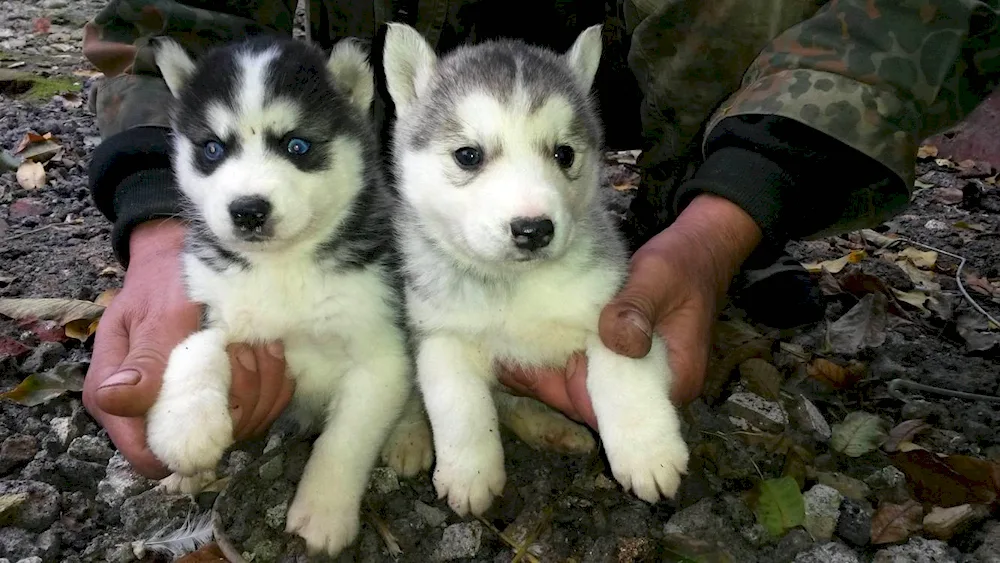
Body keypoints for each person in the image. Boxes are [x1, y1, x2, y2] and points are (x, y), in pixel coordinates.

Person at [81, 0, 1000, 479]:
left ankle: (703, 200)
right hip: (410, 70)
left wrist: (729, 214)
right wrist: (169, 226)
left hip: (633, 65)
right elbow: (174, 17)